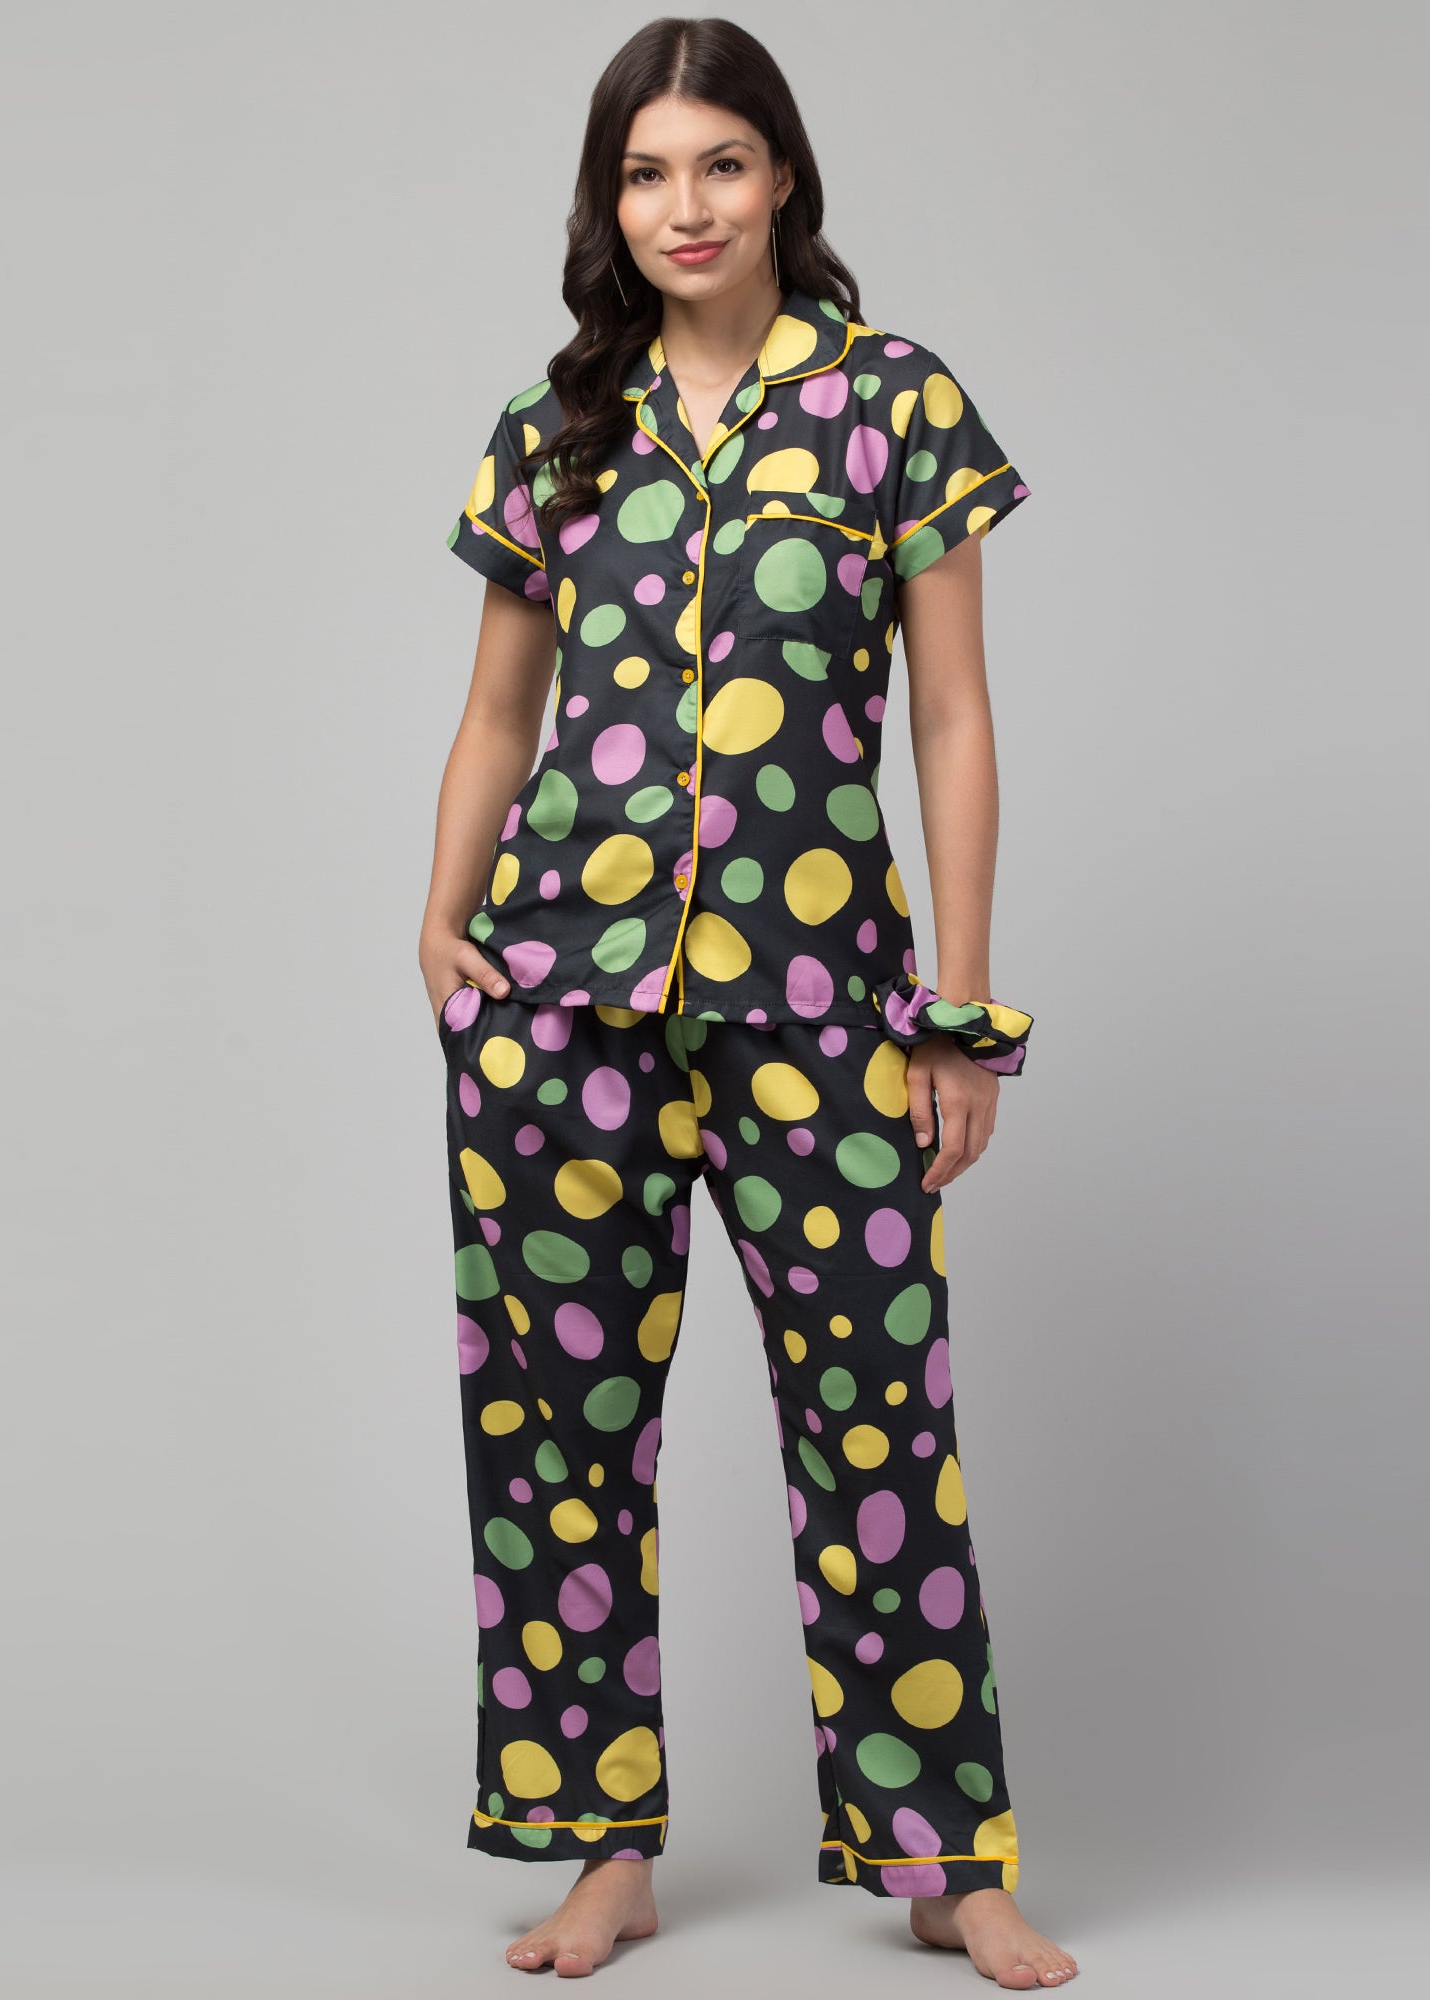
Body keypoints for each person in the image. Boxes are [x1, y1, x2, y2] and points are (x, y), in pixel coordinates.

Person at [419, 18, 1076, 1988]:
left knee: (878, 1427)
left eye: (718, 162)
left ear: (784, 174)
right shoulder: (558, 428)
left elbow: (951, 718)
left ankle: (945, 1856)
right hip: (558, 1002)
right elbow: (498, 713)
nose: (683, 206)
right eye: (645, 173)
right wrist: (438, 921)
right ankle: (600, 1849)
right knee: (554, 1440)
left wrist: (962, 1006)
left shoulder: (892, 407)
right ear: (609, 202)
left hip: (825, 1011)